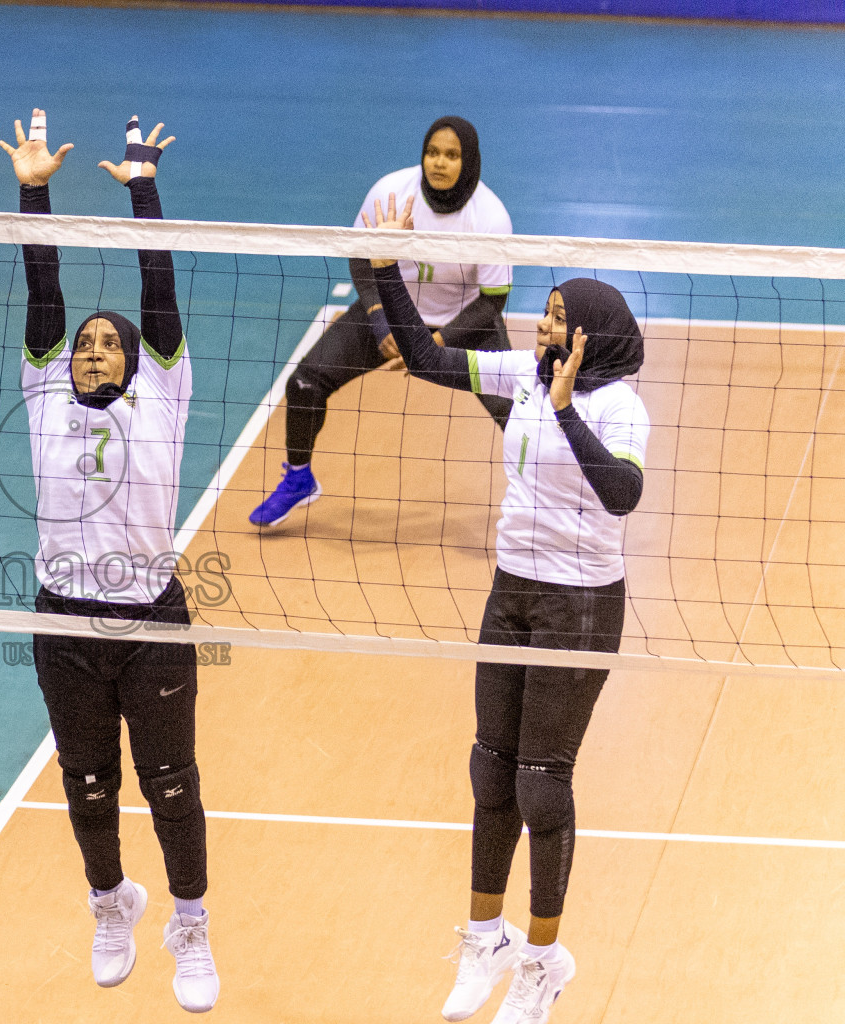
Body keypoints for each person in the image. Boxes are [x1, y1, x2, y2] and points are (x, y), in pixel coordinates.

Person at [365, 194, 649, 1024]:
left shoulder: (617, 405)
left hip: (582, 604)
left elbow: (624, 495)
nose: (544, 328)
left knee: (541, 786)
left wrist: (565, 413)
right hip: (512, 589)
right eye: (546, 314)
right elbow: (421, 356)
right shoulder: (517, 376)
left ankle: (542, 959)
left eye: (559, 320)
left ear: (592, 335)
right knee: (491, 766)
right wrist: (385, 265)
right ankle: (484, 938)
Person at [0, 109, 219, 1013]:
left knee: (172, 783)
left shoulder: (162, 393)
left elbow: (158, 291)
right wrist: (33, 188)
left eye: (109, 343)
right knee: (87, 782)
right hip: (64, 619)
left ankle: (193, 926)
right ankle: (110, 903)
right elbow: (41, 287)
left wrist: (143, 193)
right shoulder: (46, 392)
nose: (92, 349)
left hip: (152, 618)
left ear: (137, 360)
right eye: (82, 342)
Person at [249, 116, 515, 527]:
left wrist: (433, 347)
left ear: (470, 161)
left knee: (520, 413)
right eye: (432, 152)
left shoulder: (491, 217)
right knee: (304, 384)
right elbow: (361, 257)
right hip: (390, 312)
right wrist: (379, 321)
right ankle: (299, 479)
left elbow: (491, 303)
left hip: (463, 325)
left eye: (451, 155)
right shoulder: (390, 191)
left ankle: (544, 499)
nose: (438, 163)